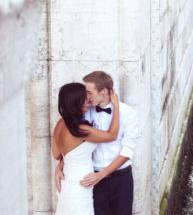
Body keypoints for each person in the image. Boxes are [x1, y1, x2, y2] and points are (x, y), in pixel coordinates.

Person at [55, 71, 138, 215]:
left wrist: (102, 174)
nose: (86, 97)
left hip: (121, 179)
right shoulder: (85, 111)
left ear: (104, 91)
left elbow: (127, 151)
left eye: (89, 92)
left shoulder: (128, 113)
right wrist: (61, 165)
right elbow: (76, 145)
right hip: (92, 181)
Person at [52, 82, 120, 215]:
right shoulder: (81, 129)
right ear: (76, 101)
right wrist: (116, 107)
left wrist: (59, 166)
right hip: (80, 187)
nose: (88, 99)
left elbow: (56, 154)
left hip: (67, 184)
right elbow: (112, 135)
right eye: (84, 97)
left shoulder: (59, 124)